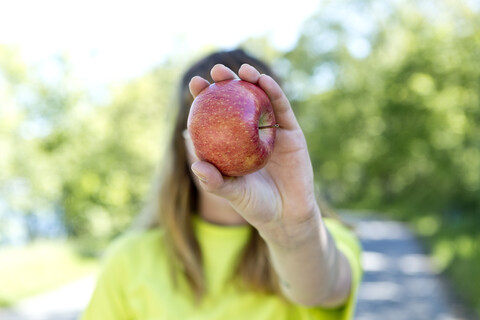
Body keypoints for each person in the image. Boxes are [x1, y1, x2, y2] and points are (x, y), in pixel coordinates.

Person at [81, 49, 362, 320]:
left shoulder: (320, 239)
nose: (229, 134)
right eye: (210, 126)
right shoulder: (128, 262)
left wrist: (292, 231)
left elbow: (320, 287)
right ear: (184, 142)